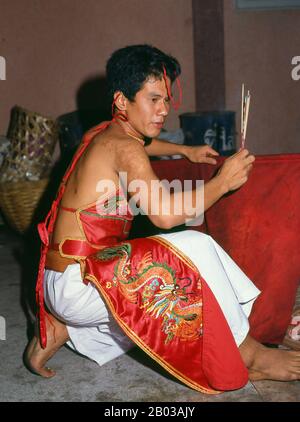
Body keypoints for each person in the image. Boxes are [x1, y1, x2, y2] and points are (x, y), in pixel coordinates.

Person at [24, 44, 300, 393]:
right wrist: (222, 183)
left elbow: (145, 144)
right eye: (153, 99)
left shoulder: (105, 132)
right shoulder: (124, 149)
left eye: (167, 100)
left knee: (152, 326)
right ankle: (250, 355)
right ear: (122, 101)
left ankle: (64, 329)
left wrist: (185, 150)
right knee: (191, 248)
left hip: (62, 276)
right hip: (79, 285)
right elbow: (165, 215)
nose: (163, 110)